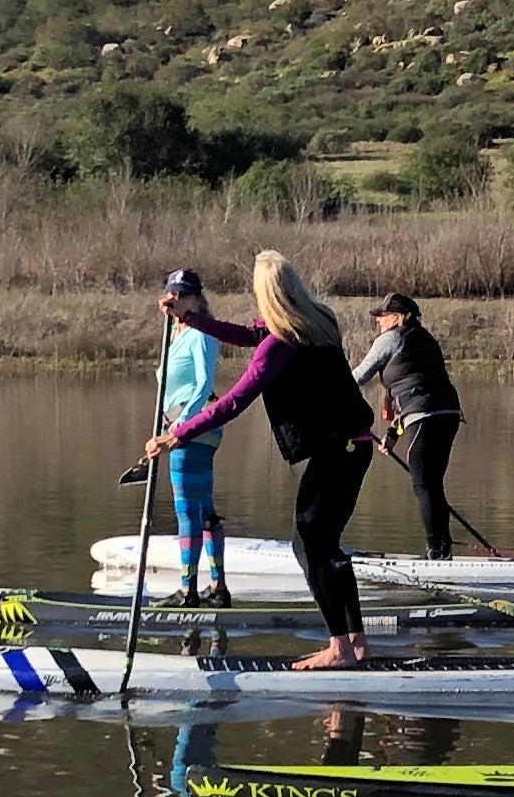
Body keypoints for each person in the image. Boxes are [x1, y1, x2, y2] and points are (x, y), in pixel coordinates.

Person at [146, 250, 379, 670]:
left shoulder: (282, 343)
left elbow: (234, 402)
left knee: (308, 541)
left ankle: (340, 648)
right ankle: (355, 643)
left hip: (339, 450)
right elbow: (241, 333)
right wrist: (191, 318)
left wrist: (176, 433)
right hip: (351, 446)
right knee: (325, 545)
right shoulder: (316, 321)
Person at [353, 293, 469, 561]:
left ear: (397, 317)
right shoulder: (426, 338)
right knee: (431, 483)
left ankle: (436, 552)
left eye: (382, 316)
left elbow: (360, 375)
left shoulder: (391, 338)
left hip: (425, 415)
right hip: (447, 413)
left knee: (424, 484)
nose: (378, 321)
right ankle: (442, 548)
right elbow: (417, 387)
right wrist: (393, 433)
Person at [140, 266, 230, 603]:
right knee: (204, 510)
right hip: (181, 426)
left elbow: (204, 383)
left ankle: (187, 588)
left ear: (197, 299)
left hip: (193, 429)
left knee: (187, 511)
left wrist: (181, 427)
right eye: (172, 293)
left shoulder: (201, 333)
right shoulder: (174, 334)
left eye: (183, 295)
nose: (176, 299)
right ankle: (217, 588)